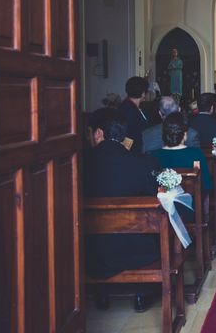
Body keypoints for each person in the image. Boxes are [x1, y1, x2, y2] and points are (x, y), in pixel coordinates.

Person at [83, 107, 160, 312]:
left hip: (90, 252)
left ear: (98, 133)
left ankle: (101, 293)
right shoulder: (143, 163)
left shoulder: (78, 164)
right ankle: (144, 293)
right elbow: (157, 199)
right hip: (136, 250)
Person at [150, 113, 213, 194]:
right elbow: (207, 186)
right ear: (185, 135)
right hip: (191, 204)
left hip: (161, 205)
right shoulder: (196, 154)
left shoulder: (153, 156)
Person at [118, 76, 150, 153]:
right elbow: (128, 138)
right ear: (143, 93)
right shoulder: (128, 110)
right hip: (134, 152)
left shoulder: (135, 107)